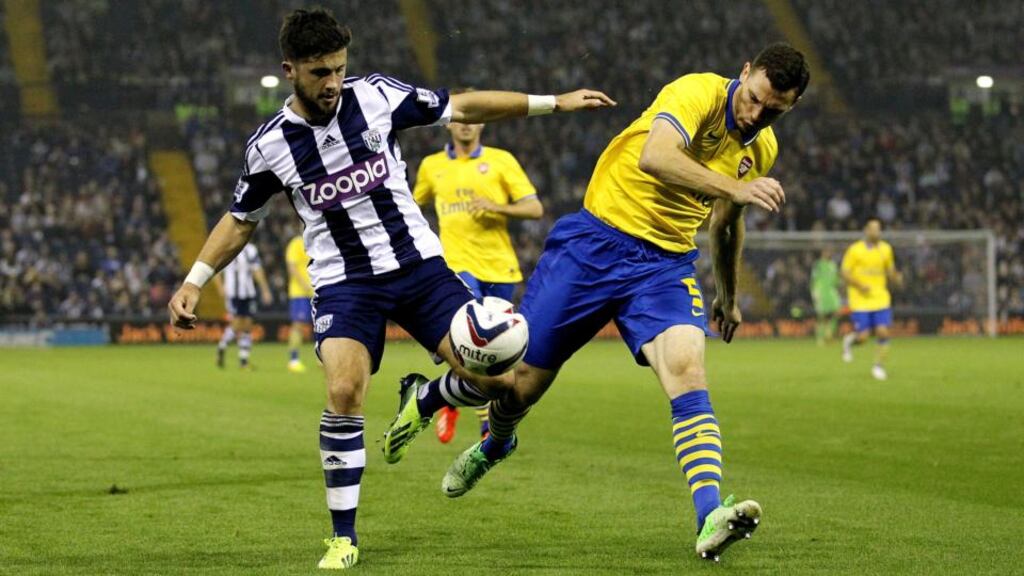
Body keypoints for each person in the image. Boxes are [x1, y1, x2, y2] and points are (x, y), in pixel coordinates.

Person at [166, 7, 614, 570]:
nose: (331, 83)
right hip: (343, 284)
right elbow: (239, 219)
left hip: (419, 269)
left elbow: (463, 105)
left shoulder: (376, 96)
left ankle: (426, 397)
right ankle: (344, 536)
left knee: (499, 380)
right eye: (318, 73)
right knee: (346, 391)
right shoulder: (270, 146)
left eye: (337, 69)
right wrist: (194, 280)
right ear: (290, 71)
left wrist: (554, 102)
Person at [385, 42, 808, 562]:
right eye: (755, 98)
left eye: (774, 111)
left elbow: (726, 222)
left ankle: (709, 516)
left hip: (664, 266)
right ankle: (484, 435)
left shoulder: (761, 149)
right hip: (594, 245)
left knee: (687, 371)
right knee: (516, 386)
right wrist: (731, 187)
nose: (757, 114)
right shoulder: (696, 91)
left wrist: (728, 293)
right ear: (745, 73)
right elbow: (656, 156)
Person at [413, 99, 544, 443]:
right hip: (456, 265)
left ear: (483, 123)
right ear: (449, 124)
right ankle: (486, 426)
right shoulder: (431, 166)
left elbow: (534, 208)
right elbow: (411, 207)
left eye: (473, 120)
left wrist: (497, 207)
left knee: (498, 356)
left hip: (500, 267)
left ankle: (450, 402)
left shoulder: (501, 161)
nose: (466, 125)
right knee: (468, 345)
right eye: (460, 120)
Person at [841, 217, 902, 380]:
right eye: (873, 229)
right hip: (860, 299)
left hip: (881, 298)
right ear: (866, 231)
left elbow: (890, 271)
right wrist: (860, 286)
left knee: (883, 332)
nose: (876, 232)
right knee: (863, 337)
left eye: (879, 228)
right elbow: (845, 273)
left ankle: (878, 366)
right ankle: (849, 341)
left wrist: (897, 278)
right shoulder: (855, 250)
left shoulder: (886, 249)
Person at [213, 243, 272, 369]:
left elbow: (257, 270)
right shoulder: (227, 247)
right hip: (233, 293)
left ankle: (243, 360)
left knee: (248, 325)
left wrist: (265, 289)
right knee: (237, 323)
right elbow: (216, 269)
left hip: (248, 292)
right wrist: (220, 288)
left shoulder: (251, 249)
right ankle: (222, 346)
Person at [285, 233, 314, 373]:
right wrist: (305, 286)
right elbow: (292, 268)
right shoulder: (296, 243)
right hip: (300, 293)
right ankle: (293, 360)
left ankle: (322, 359)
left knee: (323, 323)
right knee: (298, 325)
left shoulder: (316, 240)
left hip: (317, 291)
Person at [811, 247, 842, 345]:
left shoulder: (833, 265)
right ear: (823, 253)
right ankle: (820, 338)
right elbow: (814, 279)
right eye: (827, 251)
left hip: (832, 293)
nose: (829, 254)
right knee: (822, 316)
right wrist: (814, 292)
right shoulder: (818, 265)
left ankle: (829, 335)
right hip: (821, 292)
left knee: (836, 313)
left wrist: (840, 283)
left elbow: (836, 280)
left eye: (830, 252)